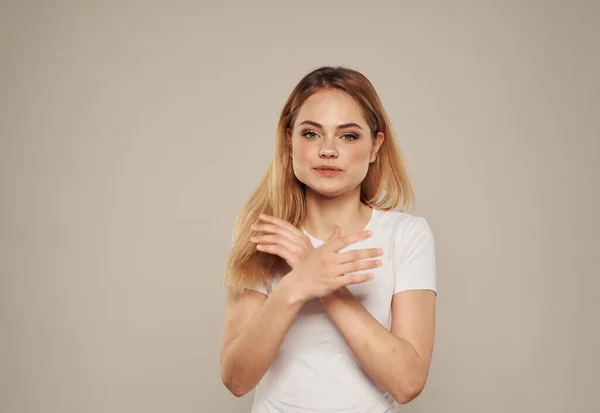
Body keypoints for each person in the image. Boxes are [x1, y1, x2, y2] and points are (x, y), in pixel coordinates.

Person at [220, 66, 437, 413]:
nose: (328, 150)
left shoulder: (406, 236)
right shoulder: (262, 232)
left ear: (374, 146)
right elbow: (236, 379)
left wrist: (322, 280)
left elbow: (407, 382)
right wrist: (296, 287)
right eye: (311, 134)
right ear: (289, 140)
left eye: (348, 136)